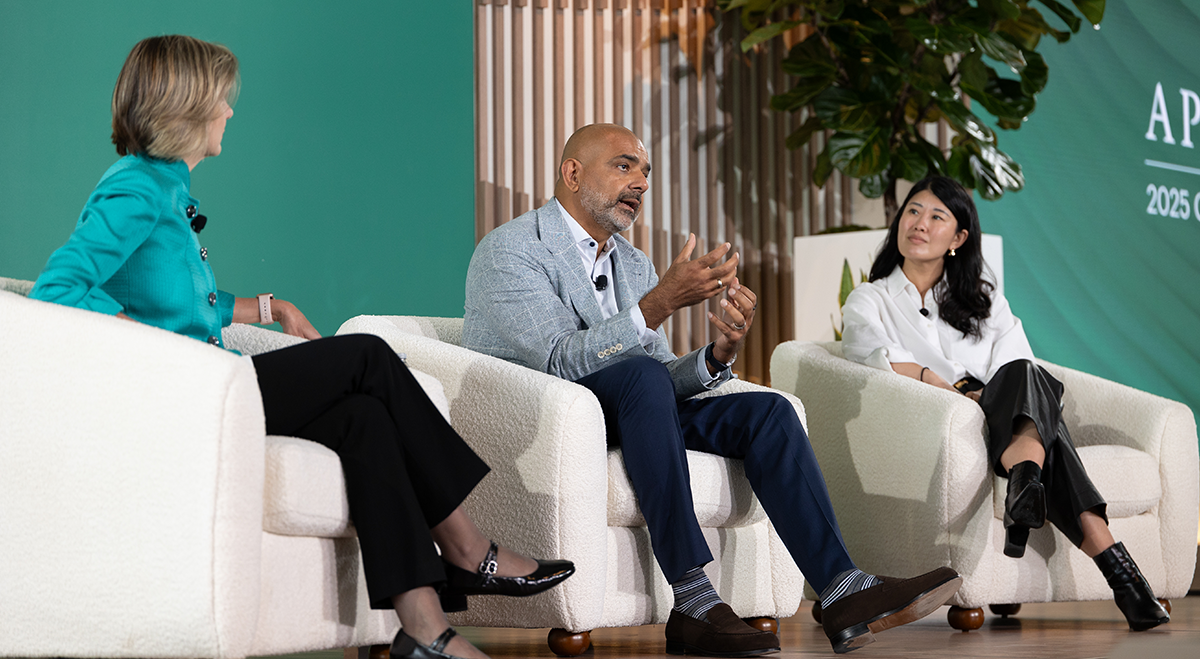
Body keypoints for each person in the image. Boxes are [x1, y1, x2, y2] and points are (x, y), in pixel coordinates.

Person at [28, 35, 574, 659]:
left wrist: (270, 308)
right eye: (221, 99)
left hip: (213, 385)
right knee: (366, 356)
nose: (229, 111)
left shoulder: (165, 187)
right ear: (186, 107)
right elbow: (56, 290)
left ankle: (424, 631)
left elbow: (178, 298)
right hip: (192, 395)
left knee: (364, 418)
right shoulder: (136, 189)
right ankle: (469, 547)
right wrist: (143, 338)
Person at [462, 123, 961, 655]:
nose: (641, 182)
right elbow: (556, 361)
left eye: (645, 171)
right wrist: (657, 305)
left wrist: (717, 355)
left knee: (768, 412)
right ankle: (694, 598)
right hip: (549, 418)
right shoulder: (512, 250)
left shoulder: (632, 262)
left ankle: (843, 588)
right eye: (624, 166)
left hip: (635, 409)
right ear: (572, 173)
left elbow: (660, 374)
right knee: (640, 377)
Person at [840, 175, 1170, 632]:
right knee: (1040, 416)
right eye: (913, 211)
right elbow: (872, 357)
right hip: (937, 415)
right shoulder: (870, 298)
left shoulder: (983, 299)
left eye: (936, 216)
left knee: (1025, 377)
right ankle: (1112, 564)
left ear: (958, 239)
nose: (919, 223)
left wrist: (987, 395)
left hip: (1000, 404)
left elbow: (1019, 364)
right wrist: (943, 384)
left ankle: (1026, 480)